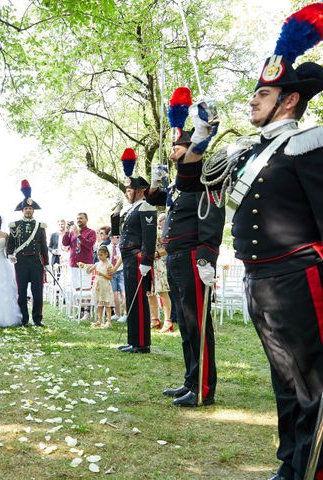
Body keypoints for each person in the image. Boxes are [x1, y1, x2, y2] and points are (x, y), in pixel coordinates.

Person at [187, 8, 323, 476]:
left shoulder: (308, 143)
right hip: (259, 278)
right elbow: (190, 185)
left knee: (310, 384)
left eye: (262, 93)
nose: (252, 101)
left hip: (299, 275)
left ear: (288, 101)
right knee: (284, 380)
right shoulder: (248, 152)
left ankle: (309, 467)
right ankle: (289, 464)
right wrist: (202, 132)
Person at [145, 86, 224, 407]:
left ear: (192, 149)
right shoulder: (179, 184)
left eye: (178, 147)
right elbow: (152, 198)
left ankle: (204, 388)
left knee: (197, 324)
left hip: (193, 257)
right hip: (176, 258)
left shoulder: (197, 174)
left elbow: (193, 162)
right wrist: (156, 178)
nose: (173, 151)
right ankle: (191, 381)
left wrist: (203, 132)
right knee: (186, 325)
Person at [117, 148, 156, 354]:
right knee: (131, 298)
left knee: (138, 300)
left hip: (137, 258)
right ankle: (134, 340)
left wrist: (146, 261)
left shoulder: (146, 208)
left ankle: (142, 343)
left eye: (130, 190)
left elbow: (150, 238)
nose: (127, 193)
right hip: (128, 259)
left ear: (140, 190)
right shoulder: (131, 208)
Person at [6, 180, 49, 327]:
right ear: (22, 210)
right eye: (26, 209)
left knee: (37, 292)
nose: (28, 210)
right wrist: (9, 254)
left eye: (30, 208)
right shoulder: (15, 225)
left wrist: (47, 263)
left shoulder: (40, 226)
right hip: (21, 263)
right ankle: (23, 319)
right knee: (22, 292)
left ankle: (37, 318)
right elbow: (10, 243)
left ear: (33, 211)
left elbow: (43, 245)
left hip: (36, 262)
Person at [147, 213, 172, 332]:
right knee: (150, 293)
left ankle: (168, 321)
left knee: (162, 292)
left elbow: (167, 249)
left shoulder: (163, 233)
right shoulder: (148, 232)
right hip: (149, 264)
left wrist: (155, 254)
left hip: (159, 264)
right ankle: (155, 319)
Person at [78, 245, 114, 328]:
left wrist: (101, 274)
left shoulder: (109, 265)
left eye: (101, 255)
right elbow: (89, 269)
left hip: (105, 286)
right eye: (98, 255)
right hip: (98, 287)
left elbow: (110, 277)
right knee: (99, 304)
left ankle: (109, 321)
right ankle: (99, 321)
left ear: (106, 254)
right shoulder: (97, 264)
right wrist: (84, 266)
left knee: (107, 304)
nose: (99, 257)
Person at [62, 213, 97, 292]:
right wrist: (67, 231)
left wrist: (78, 234)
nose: (79, 220)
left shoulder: (91, 232)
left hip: (85, 264)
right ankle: (78, 304)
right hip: (74, 263)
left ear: (86, 220)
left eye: (81, 218)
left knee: (86, 287)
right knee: (76, 287)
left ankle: (86, 304)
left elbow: (89, 244)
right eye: (77, 218)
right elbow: (65, 243)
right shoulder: (72, 232)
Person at [108, 235, 125, 320]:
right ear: (111, 237)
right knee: (114, 294)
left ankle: (125, 314)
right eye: (116, 237)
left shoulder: (122, 246)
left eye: (119, 237)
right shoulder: (107, 247)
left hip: (121, 270)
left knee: (123, 293)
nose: (118, 239)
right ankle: (117, 313)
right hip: (111, 272)